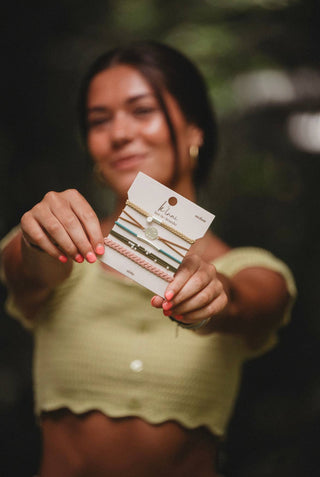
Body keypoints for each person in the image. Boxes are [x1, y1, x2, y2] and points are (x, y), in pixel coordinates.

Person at [0, 41, 296, 477]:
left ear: (195, 129)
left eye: (142, 111)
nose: (119, 134)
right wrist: (39, 241)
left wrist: (214, 295)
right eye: (99, 121)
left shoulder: (251, 269)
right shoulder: (49, 237)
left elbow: (247, 303)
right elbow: (30, 268)